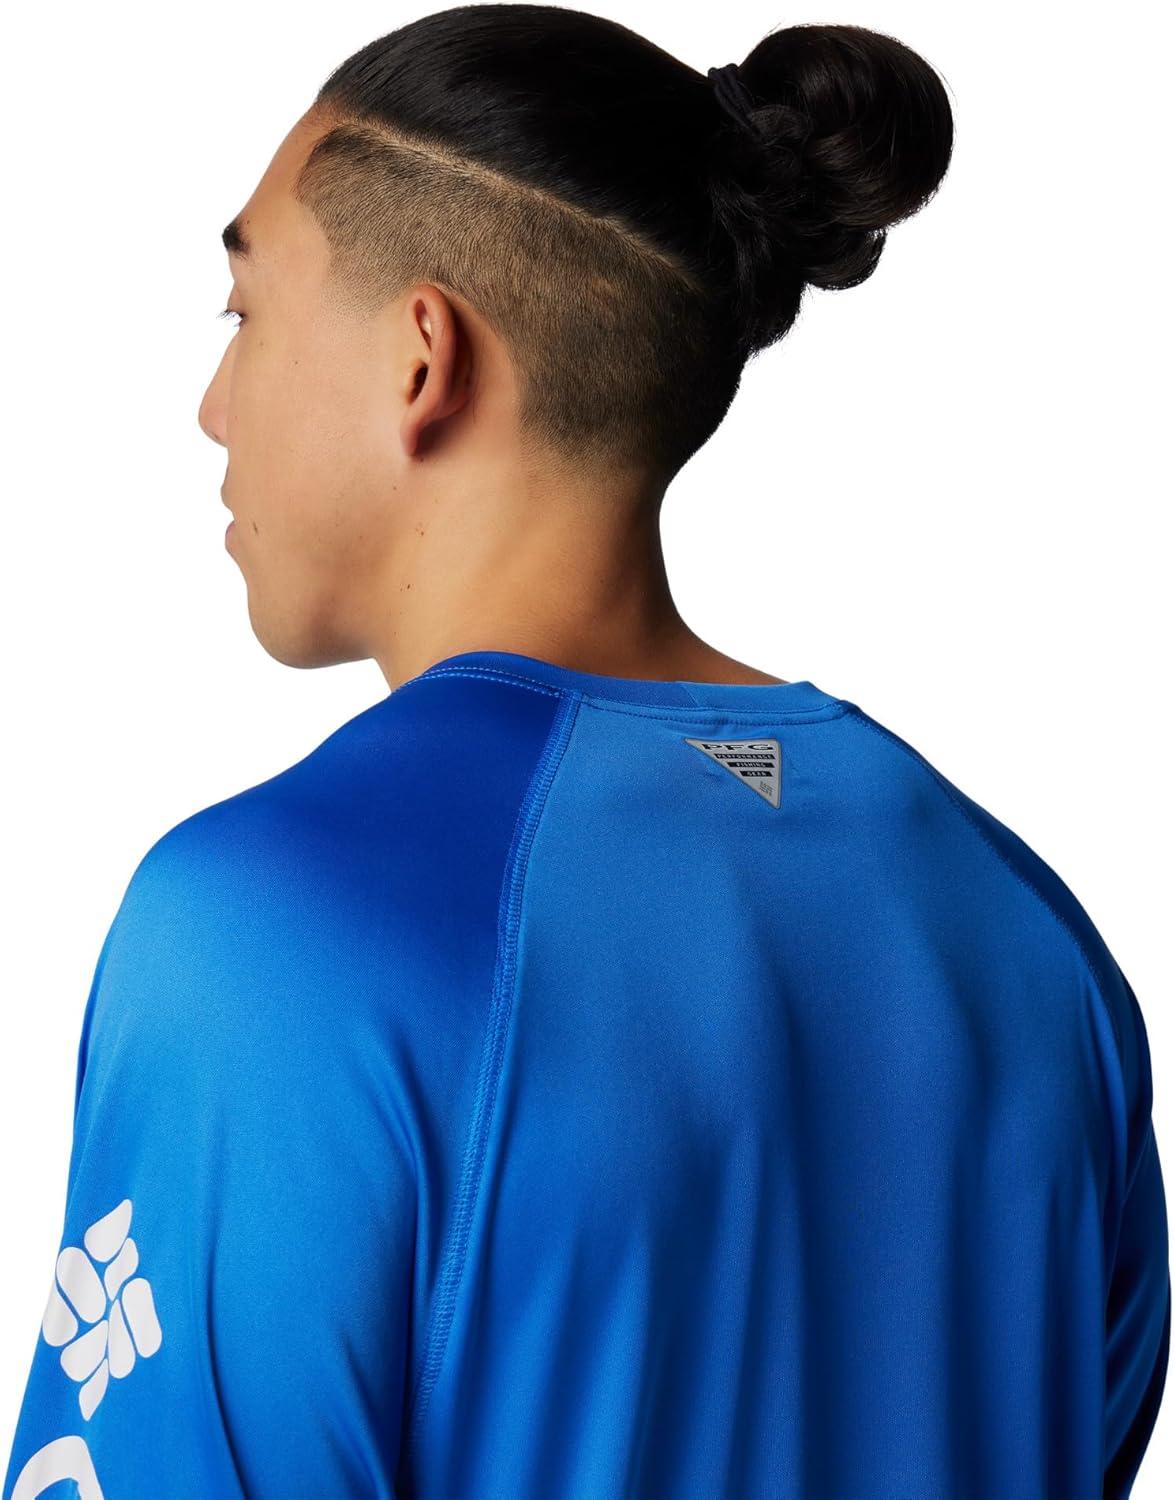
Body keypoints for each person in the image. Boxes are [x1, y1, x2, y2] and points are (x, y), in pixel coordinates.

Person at [4, 5, 1168, 1497]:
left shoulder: (272, 925)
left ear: (420, 355)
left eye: (244, 314)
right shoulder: (1022, 931)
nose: (211, 410)